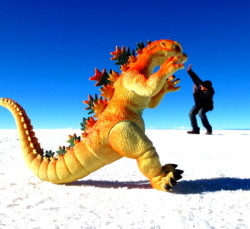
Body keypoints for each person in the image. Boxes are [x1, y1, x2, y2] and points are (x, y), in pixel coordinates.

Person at [186, 64, 215, 134]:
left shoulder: (209, 93)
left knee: (201, 112)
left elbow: (198, 103)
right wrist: (189, 71)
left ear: (206, 88)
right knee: (191, 113)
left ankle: (209, 129)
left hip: (206, 105)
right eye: (201, 85)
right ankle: (195, 130)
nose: (201, 86)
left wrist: (195, 93)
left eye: (203, 86)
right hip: (198, 103)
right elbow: (196, 78)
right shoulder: (201, 84)